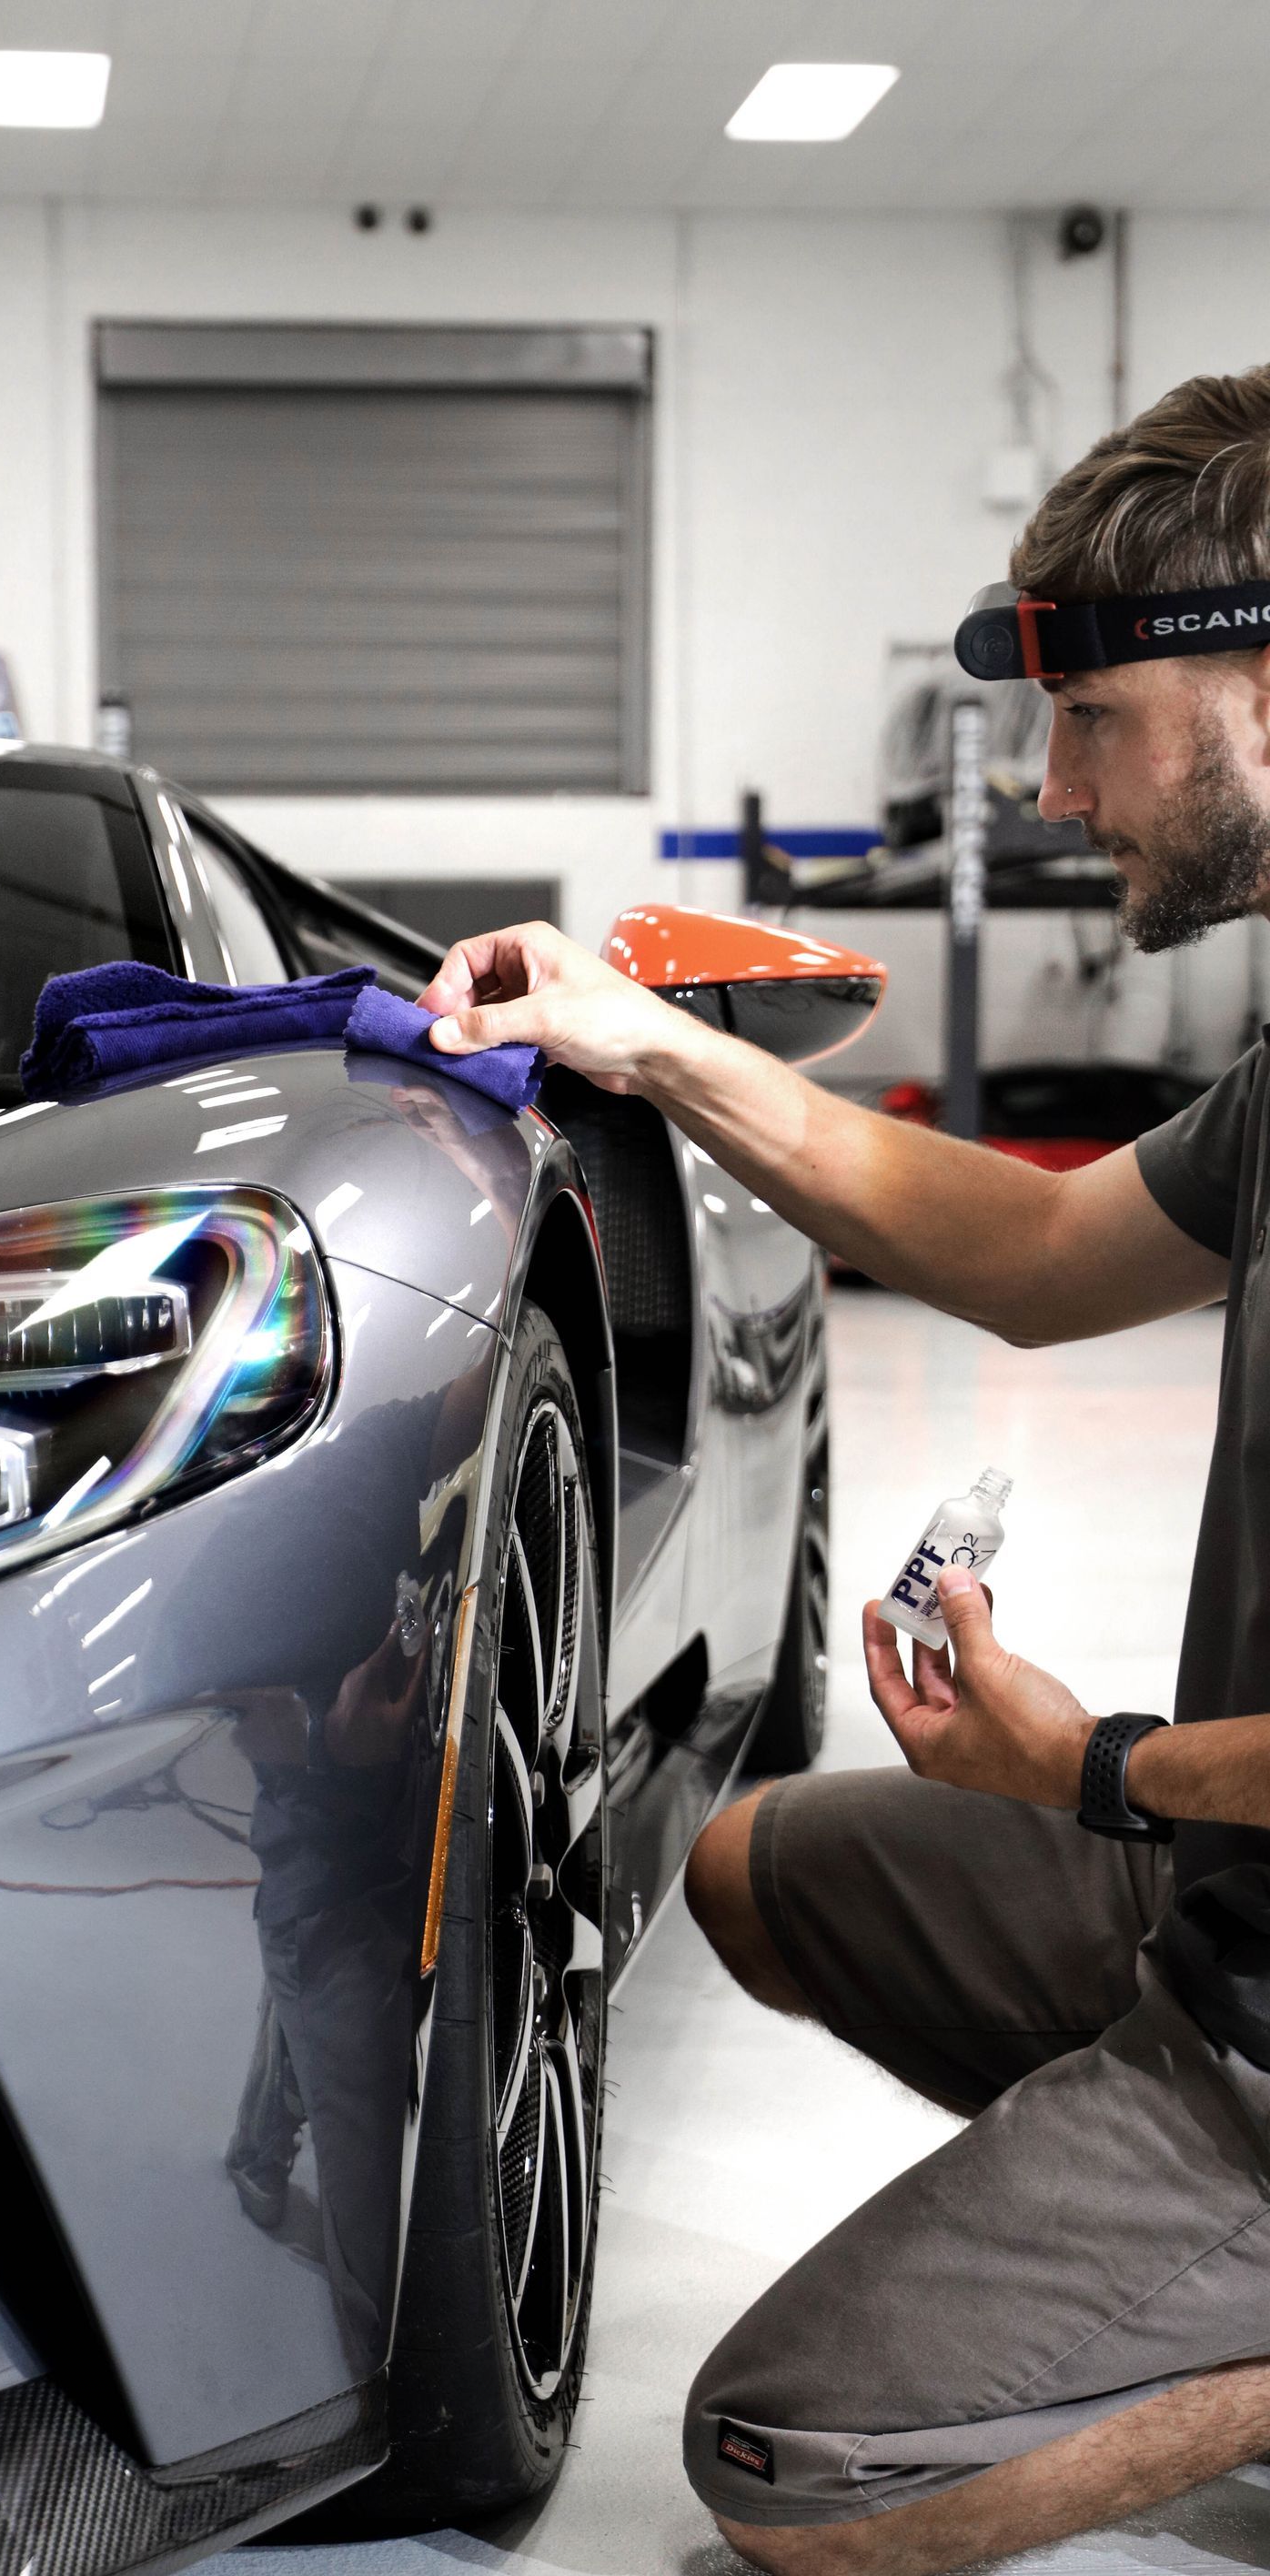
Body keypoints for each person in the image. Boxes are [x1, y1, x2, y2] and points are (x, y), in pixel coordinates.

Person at [413, 363, 1270, 2576]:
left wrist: (1098, 1767)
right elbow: (1039, 1247)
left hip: (1226, 1904)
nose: (1062, 789)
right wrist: (659, 1042)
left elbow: (1126, 1769)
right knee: (755, 1870)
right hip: (1230, 1891)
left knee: (795, 2470)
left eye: (1096, 722)